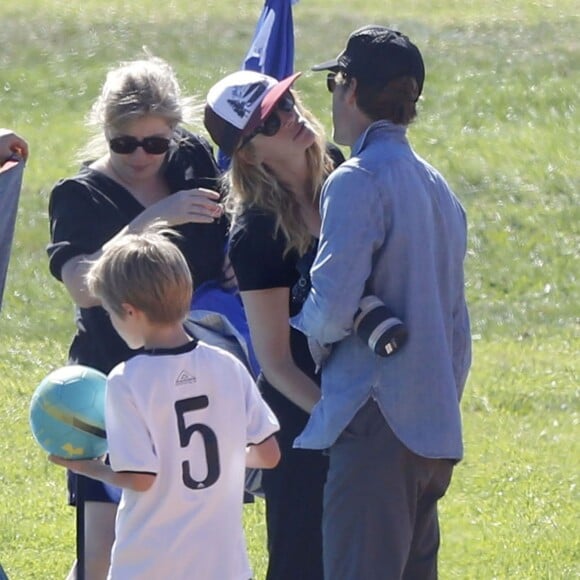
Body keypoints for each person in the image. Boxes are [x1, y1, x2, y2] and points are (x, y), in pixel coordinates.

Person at [291, 26, 473, 579]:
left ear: (349, 89)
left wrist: (302, 318)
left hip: (375, 424)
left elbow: (334, 306)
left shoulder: (356, 178)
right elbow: (457, 332)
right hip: (432, 427)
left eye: (334, 84)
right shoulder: (440, 187)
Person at [46, 56, 227, 579]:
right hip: (108, 380)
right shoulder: (78, 195)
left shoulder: (189, 160)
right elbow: (83, 288)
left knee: (189, 544)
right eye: (125, 143)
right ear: (106, 132)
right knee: (102, 554)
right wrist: (152, 220)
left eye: (156, 142)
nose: (142, 155)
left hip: (185, 381)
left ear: (174, 132)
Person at [49, 228, 281, 579]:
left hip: (150, 566)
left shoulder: (128, 379)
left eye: (111, 314)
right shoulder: (228, 365)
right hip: (224, 567)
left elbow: (139, 478)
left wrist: (88, 468)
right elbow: (269, 454)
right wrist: (224, 455)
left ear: (129, 311)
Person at [203, 70, 345, 580]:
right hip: (306, 422)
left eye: (286, 103)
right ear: (249, 154)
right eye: (270, 121)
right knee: (302, 562)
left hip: (368, 397)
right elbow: (277, 362)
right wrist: (341, 420)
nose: (291, 118)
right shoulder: (257, 233)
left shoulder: (343, 180)